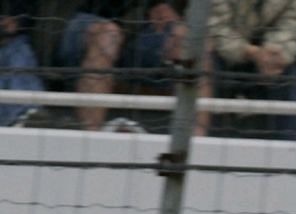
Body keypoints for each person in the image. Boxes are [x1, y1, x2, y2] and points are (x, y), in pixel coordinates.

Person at [39, 0, 187, 130]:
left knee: (189, 39)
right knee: (108, 34)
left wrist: (163, 6)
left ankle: (195, 142)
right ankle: (92, 138)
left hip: (138, 27)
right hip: (72, 22)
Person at [207, 0, 296, 139]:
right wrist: (250, 52)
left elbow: (295, 24)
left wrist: (273, 52)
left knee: (287, 76)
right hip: (224, 52)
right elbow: (214, 25)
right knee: (207, 68)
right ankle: (204, 146)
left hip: (272, 54)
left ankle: (287, 151)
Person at [2, 0, 46, 127]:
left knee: (19, 50)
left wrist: (16, 21)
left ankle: (27, 115)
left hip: (11, 44)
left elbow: (27, 13)